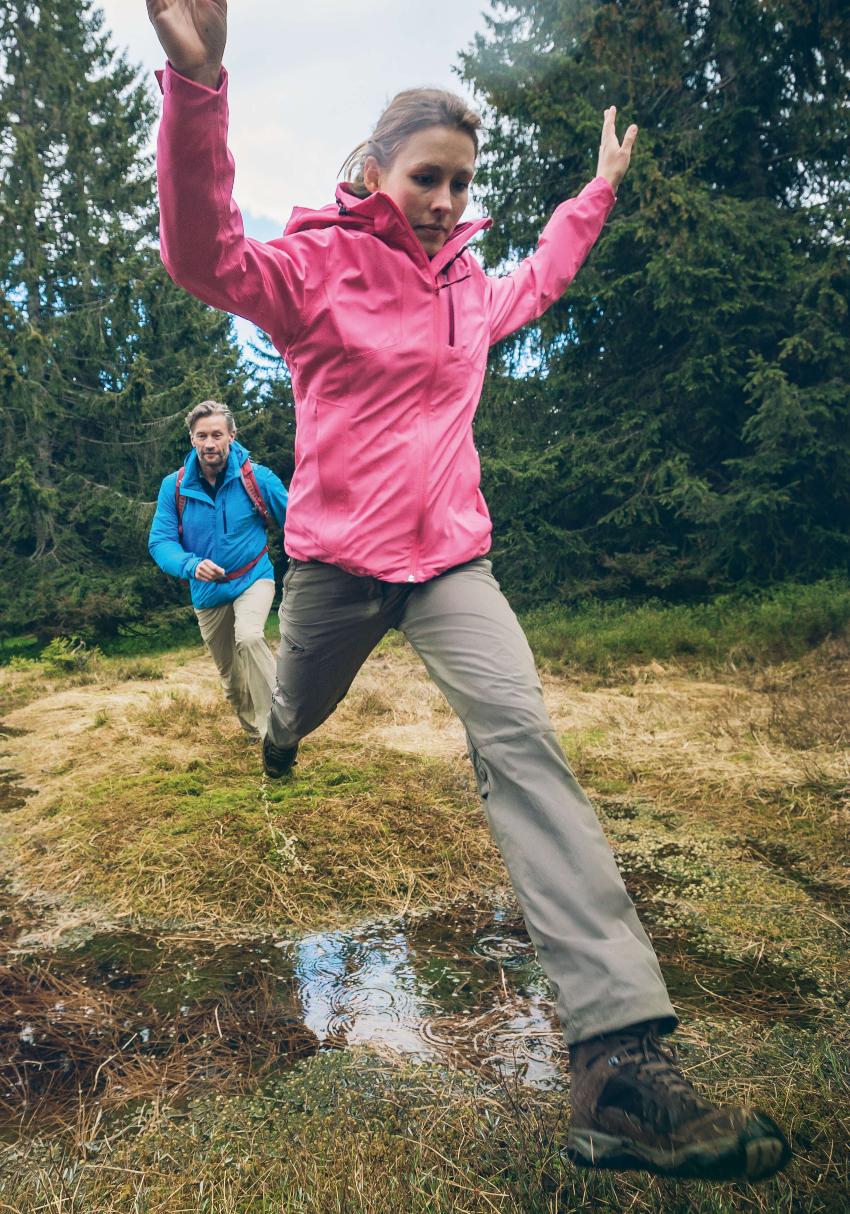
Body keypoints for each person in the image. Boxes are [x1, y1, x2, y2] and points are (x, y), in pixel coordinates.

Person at [146, 0, 791, 1183]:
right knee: (289, 710)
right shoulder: (316, 271)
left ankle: (617, 1062)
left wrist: (594, 192)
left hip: (449, 562)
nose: (444, 201)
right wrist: (200, 86)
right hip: (336, 570)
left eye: (458, 182)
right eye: (425, 178)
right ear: (375, 170)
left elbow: (540, 274)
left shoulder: (468, 286)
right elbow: (203, 257)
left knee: (523, 740)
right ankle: (279, 742)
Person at [149, 400, 288, 740]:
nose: (209, 443)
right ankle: (255, 729)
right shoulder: (175, 486)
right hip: (208, 593)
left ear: (231, 435)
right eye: (201, 436)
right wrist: (191, 565)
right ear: (191, 439)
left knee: (251, 637)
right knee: (232, 679)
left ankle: (280, 731)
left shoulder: (258, 478)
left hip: (253, 577)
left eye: (216, 434)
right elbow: (160, 542)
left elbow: (297, 523)